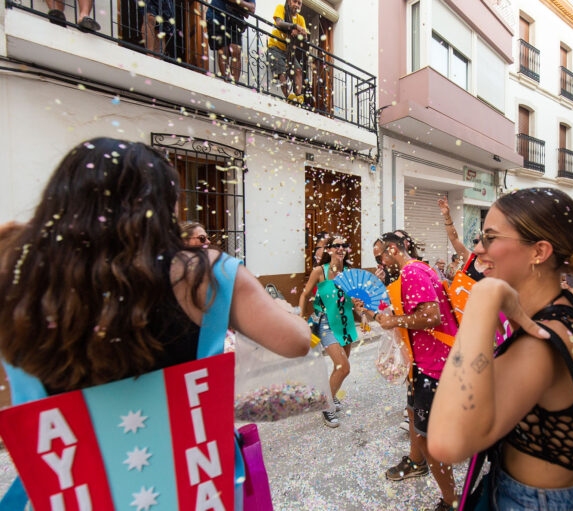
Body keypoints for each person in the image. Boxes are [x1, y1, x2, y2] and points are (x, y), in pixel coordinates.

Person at [0, 138, 310, 399]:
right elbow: (296, 342)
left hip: (66, 467)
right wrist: (281, 309)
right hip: (185, 462)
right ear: (163, 205)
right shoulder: (204, 272)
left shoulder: (16, 271)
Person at [428, 188, 573, 510]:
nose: (479, 249)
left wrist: (484, 297)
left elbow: (447, 442)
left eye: (490, 237)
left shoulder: (541, 343)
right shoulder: (563, 307)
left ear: (538, 252)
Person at [357, 233, 459, 511]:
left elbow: (430, 316)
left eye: (380, 256)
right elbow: (401, 314)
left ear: (393, 249)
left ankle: (451, 500)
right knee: (413, 413)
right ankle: (417, 463)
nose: (380, 262)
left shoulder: (412, 271)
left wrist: (393, 320)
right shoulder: (414, 271)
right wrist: (373, 313)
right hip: (420, 363)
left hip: (434, 367)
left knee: (428, 436)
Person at [298, 235, 358, 427]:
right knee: (344, 367)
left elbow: (355, 300)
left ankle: (330, 396)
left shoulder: (349, 272)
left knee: (339, 367)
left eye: (344, 245)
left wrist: (364, 313)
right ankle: (327, 406)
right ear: (329, 249)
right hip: (326, 324)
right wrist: (301, 315)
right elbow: (305, 293)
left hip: (346, 324)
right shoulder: (319, 271)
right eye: (337, 245)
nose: (341, 248)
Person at [268, 0, 308, 103]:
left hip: (289, 52)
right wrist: (294, 27)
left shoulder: (301, 19)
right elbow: (279, 22)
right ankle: (289, 97)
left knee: (298, 70)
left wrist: (299, 33)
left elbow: (304, 36)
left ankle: (299, 97)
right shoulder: (281, 8)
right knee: (282, 72)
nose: (297, 5)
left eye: (299, 3)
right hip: (276, 47)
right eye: (295, 1)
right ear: (289, 1)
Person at [438, 197, 486, 281]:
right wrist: (447, 216)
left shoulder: (496, 267)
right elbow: (454, 239)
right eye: (475, 241)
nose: (475, 244)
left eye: (478, 241)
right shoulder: (470, 259)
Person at [206, 0, 255, 82]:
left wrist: (237, 3)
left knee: (236, 51)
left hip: (235, 20)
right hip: (217, 17)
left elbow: (252, 9)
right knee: (223, 51)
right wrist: (242, 5)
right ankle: (227, 81)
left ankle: (234, 84)